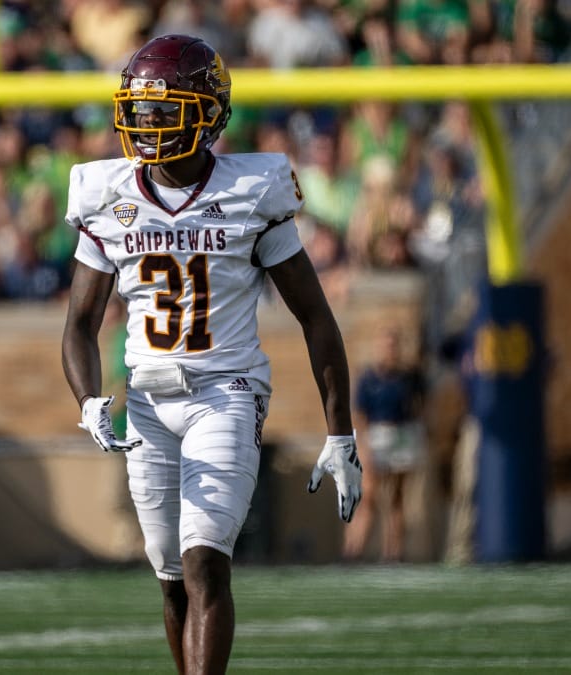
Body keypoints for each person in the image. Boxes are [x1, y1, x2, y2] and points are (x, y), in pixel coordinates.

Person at [61, 35, 362, 674]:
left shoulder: (252, 189)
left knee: (204, 562)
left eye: (163, 110)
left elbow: (316, 318)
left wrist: (340, 431)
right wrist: (87, 401)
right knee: (171, 577)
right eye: (139, 110)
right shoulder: (106, 193)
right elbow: (79, 324)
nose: (146, 124)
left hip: (225, 392)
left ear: (208, 114)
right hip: (147, 403)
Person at [342, 328, 427, 562]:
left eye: (393, 345)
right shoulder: (369, 379)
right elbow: (360, 414)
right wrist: (363, 445)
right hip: (376, 436)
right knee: (368, 495)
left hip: (402, 436)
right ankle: (353, 549)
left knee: (396, 497)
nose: (390, 351)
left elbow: (421, 406)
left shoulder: (410, 378)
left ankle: (393, 552)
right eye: (385, 345)